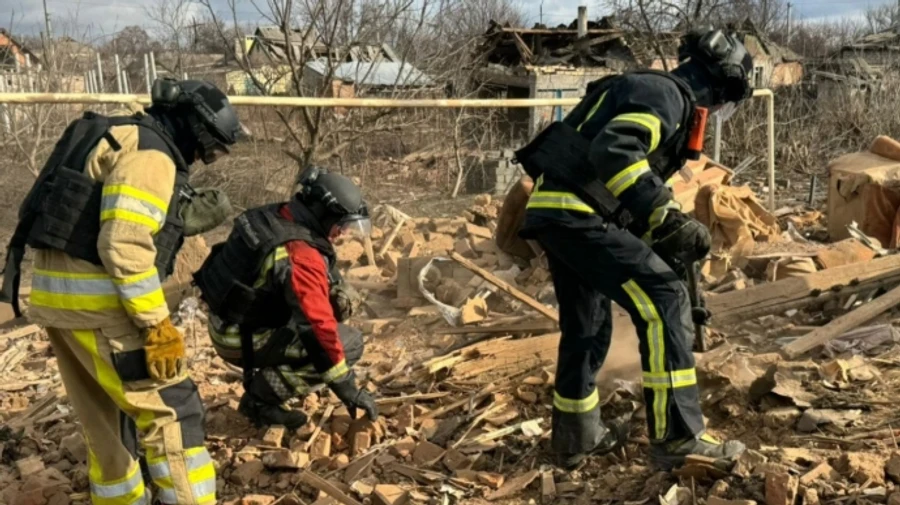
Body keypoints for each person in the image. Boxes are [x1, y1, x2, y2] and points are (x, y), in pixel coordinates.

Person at [515, 27, 754, 471]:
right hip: (579, 213)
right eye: (725, 102)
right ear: (719, 86)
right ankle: (679, 439)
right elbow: (617, 152)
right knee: (665, 299)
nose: (719, 111)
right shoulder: (669, 97)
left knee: (587, 325)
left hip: (556, 212)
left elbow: (613, 182)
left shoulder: (642, 86)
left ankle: (576, 438)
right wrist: (666, 217)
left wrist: (657, 234)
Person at [0, 78, 241, 505]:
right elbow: (124, 245)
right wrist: (156, 325)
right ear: (194, 127)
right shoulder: (152, 155)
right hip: (103, 309)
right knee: (173, 411)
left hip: (60, 305)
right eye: (210, 147)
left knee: (106, 424)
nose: (205, 158)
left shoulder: (116, 135)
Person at [193, 166, 378, 430]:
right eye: (341, 225)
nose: (344, 233)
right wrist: (346, 387)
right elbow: (318, 330)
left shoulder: (275, 215)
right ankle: (261, 400)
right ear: (323, 213)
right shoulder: (299, 254)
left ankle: (268, 383)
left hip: (226, 319)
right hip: (240, 337)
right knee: (347, 344)